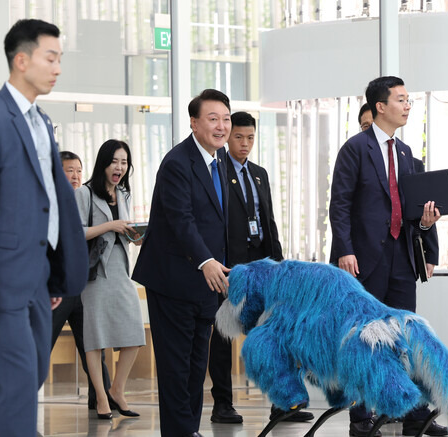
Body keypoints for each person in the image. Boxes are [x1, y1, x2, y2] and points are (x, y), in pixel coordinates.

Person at [0, 19, 88, 437]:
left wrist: (53, 274)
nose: (58, 67)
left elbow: (48, 202)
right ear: (21, 59)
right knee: (18, 381)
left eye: (60, 59)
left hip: (35, 276)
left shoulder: (41, 121)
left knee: (29, 376)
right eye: (51, 58)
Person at [330, 77, 447, 437]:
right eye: (401, 99)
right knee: (364, 338)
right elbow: (341, 205)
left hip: (401, 258)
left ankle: (414, 412)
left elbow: (414, 213)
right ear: (381, 106)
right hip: (363, 259)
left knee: (404, 338)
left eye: (409, 99)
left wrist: (427, 230)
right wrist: (345, 250)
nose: (408, 105)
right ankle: (361, 419)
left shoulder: (407, 153)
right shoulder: (355, 149)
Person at [132, 88, 231, 437]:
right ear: (193, 122)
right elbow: (180, 220)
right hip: (174, 280)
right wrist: (206, 260)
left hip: (206, 284)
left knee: (194, 367)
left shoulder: (220, 163)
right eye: (213, 118)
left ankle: (187, 429)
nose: (222, 126)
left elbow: (219, 224)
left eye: (226, 118)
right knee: (175, 368)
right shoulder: (178, 163)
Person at [208, 111, 314, 425]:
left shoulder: (259, 173)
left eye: (250, 137)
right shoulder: (217, 170)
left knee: (273, 333)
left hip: (262, 264)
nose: (245, 143)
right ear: (228, 137)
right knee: (224, 336)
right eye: (238, 137)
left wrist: (279, 265)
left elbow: (268, 221)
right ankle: (222, 404)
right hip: (230, 267)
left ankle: (281, 404)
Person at [74, 139, 145, 420]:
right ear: (104, 162)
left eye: (124, 162)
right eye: (115, 161)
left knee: (134, 334)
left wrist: (134, 235)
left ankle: (117, 389)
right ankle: (102, 398)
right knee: (94, 339)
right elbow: (74, 232)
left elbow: (122, 231)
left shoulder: (124, 194)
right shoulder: (84, 193)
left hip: (120, 269)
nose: (119, 167)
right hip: (95, 273)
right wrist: (110, 226)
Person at [51, 150, 111, 411]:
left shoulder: (88, 200)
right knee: (43, 342)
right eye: (69, 170)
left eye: (78, 170)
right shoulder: (51, 203)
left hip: (87, 283)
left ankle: (102, 398)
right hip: (58, 286)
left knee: (93, 344)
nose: (75, 176)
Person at [358, 103, 439, 278]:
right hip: (366, 254)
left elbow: (423, 209)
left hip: (403, 251)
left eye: (375, 125)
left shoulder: (411, 161)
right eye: (365, 127)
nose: (371, 131)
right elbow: (342, 209)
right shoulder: (354, 161)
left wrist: (431, 254)